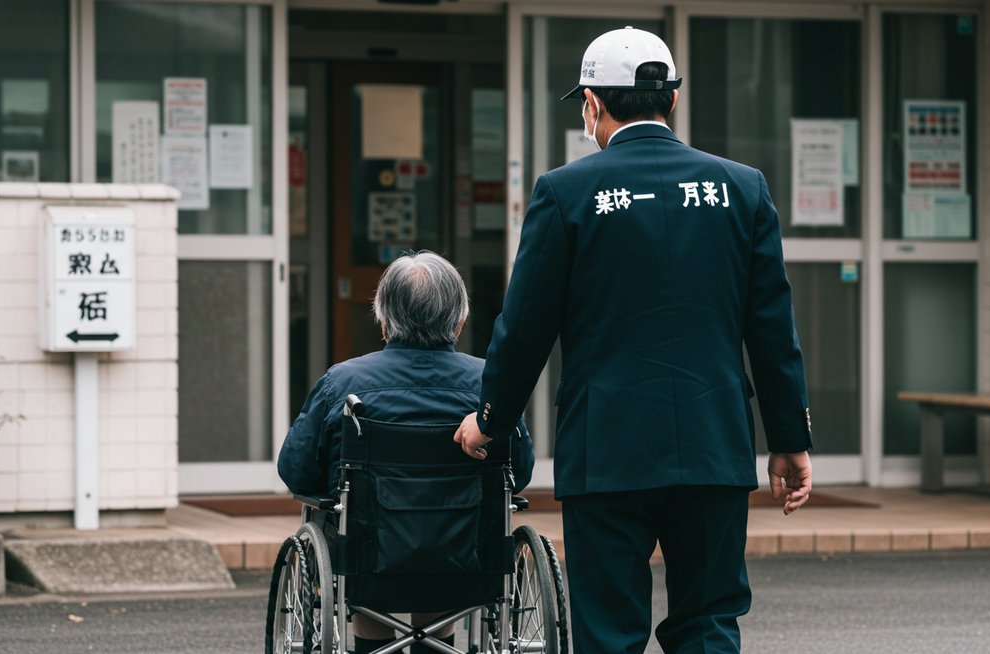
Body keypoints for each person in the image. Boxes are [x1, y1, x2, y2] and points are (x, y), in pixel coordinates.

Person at [453, 27, 813, 654]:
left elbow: (524, 326)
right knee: (708, 622)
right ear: (670, 99)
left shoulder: (565, 193)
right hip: (712, 444)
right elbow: (772, 329)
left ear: (592, 103)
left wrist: (491, 419)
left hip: (608, 451)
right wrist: (790, 439)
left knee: (609, 631)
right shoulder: (742, 188)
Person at [278, 251, 535, 654]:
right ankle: (437, 644)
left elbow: (296, 471)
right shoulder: (488, 388)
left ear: (383, 321)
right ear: (460, 319)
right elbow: (519, 474)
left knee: (353, 523)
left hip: (368, 563)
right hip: (466, 563)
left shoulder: (342, 382)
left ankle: (369, 644)